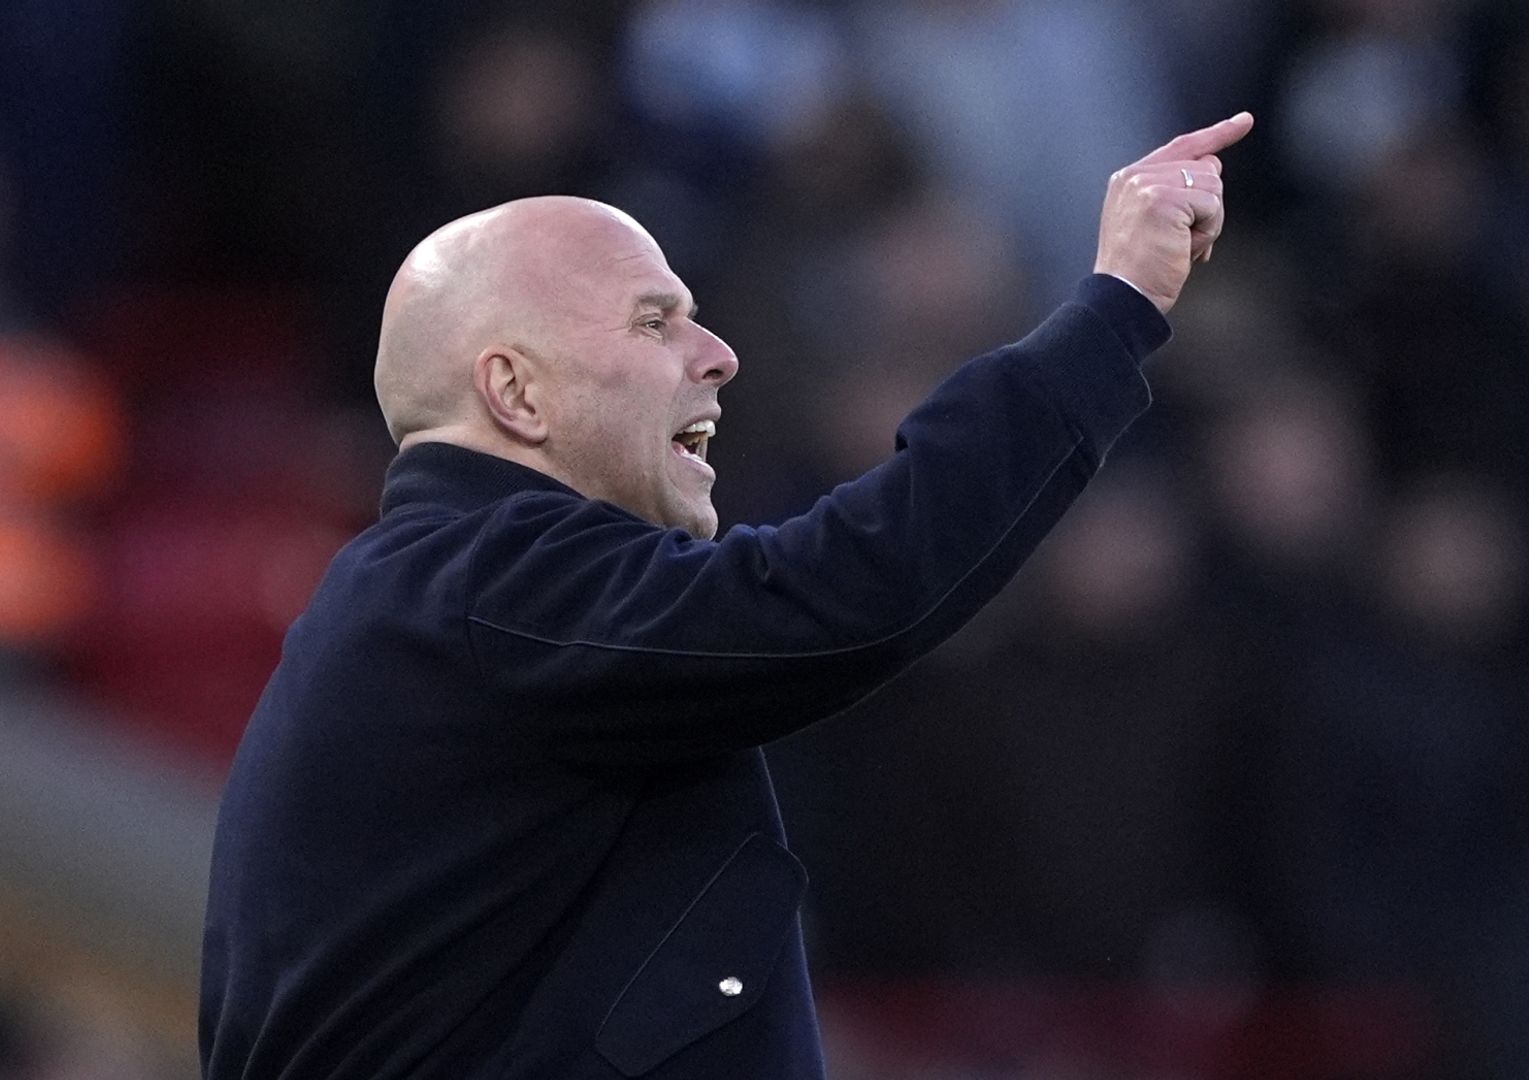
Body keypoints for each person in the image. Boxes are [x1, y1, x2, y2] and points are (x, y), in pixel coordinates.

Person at [199, 113, 1254, 1079]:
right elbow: (845, 588)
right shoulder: (484, 586)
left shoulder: (445, 603)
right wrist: (1115, 309)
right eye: (655, 323)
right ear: (515, 392)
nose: (720, 355)